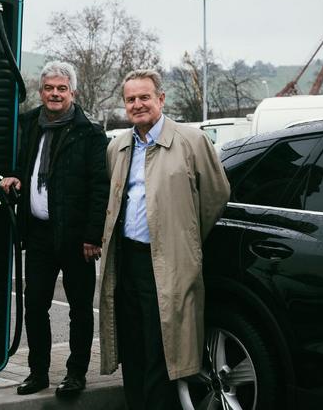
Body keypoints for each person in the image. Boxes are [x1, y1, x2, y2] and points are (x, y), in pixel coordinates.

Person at [98, 69, 230, 409]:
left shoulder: (192, 141)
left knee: (162, 350)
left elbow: (215, 195)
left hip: (168, 263)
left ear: (161, 99)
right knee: (132, 345)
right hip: (127, 261)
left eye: (145, 97)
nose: (138, 105)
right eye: (131, 99)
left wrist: (184, 238)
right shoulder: (118, 147)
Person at [0, 61, 109, 398]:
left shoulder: (90, 133)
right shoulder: (29, 124)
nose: (55, 94)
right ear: (41, 91)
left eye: (62, 88)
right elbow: (18, 160)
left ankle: (76, 374)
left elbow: (100, 187)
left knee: (79, 309)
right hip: (39, 234)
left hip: (77, 239)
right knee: (35, 305)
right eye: (49, 88)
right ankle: (38, 372)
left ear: (72, 92)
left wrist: (93, 235)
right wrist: (13, 174)